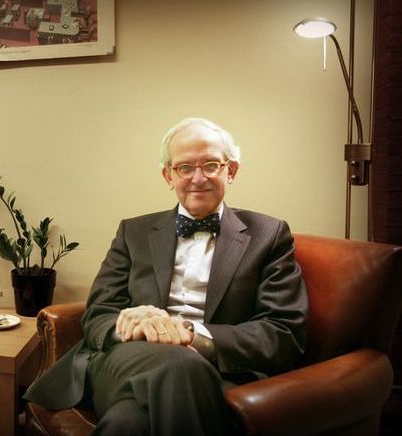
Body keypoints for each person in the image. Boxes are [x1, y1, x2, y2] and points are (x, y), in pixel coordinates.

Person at [23, 117, 309, 435]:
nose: (198, 178)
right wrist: (134, 326)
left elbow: (282, 332)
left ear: (231, 171)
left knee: (128, 423)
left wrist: (192, 335)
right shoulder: (134, 232)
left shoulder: (269, 235)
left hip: (217, 368)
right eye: (185, 168)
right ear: (168, 176)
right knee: (180, 364)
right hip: (124, 360)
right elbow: (99, 315)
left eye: (211, 165)